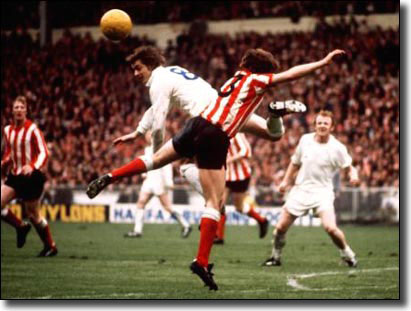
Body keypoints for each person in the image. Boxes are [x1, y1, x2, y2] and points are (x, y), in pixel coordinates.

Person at [87, 48, 345, 290]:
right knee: (215, 202)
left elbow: (159, 109)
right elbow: (290, 75)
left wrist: (138, 132)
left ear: (245, 65)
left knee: (155, 160)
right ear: (262, 71)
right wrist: (322, 63)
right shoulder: (256, 81)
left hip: (196, 124)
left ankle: (112, 175)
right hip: (216, 134)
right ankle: (200, 261)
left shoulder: (236, 77)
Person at [263, 110, 359, 268]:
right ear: (315, 125)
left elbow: (350, 167)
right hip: (300, 190)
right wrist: (285, 182)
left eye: (326, 123)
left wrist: (353, 176)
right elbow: (295, 163)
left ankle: (348, 254)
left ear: (332, 127)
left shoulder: (337, 148)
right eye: (319, 123)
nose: (322, 126)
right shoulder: (305, 140)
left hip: (322, 192)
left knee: (330, 227)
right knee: (280, 228)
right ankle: (275, 257)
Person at [1, 96, 58, 257]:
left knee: (34, 216)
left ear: (26, 110)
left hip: (32, 177)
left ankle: (50, 246)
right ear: (12, 110)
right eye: (16, 107)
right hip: (15, 176)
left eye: (21, 107)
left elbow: (44, 152)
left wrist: (32, 166)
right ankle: (20, 226)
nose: (19, 110)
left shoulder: (33, 129)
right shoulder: (7, 130)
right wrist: (4, 161)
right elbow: (9, 152)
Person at [124, 132, 192, 238]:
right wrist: (144, 173)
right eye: (147, 136)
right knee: (141, 203)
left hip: (158, 182)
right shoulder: (147, 149)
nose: (147, 137)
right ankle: (137, 230)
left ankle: (186, 225)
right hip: (149, 180)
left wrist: (169, 182)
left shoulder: (162, 148)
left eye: (150, 135)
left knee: (167, 207)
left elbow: (167, 166)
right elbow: (145, 163)